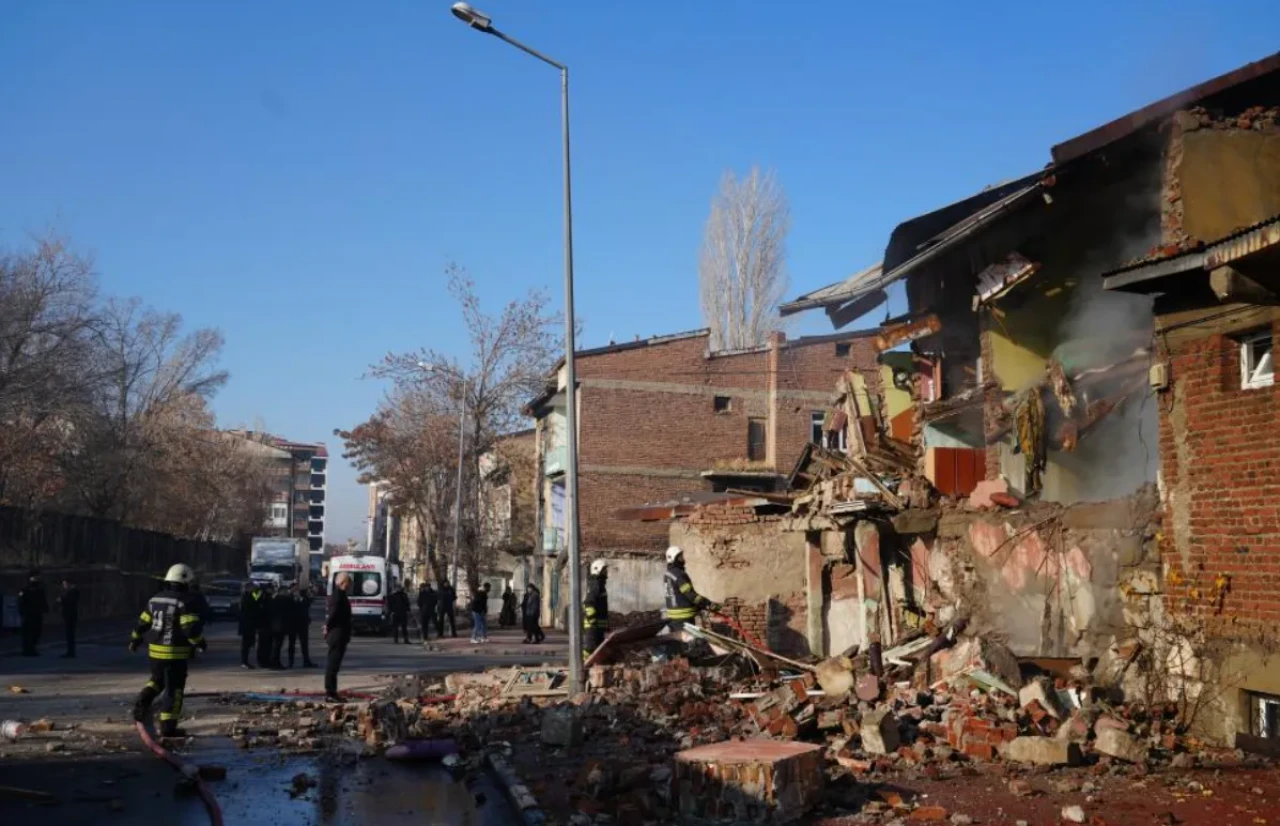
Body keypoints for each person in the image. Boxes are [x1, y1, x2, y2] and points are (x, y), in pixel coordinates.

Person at [128, 564, 206, 737]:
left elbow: (143, 622)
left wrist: (135, 639)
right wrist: (200, 643)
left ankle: (143, 699)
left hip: (155, 650)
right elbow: (189, 629)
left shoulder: (155, 599)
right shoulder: (185, 601)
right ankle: (168, 727)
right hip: (175, 652)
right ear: (185, 582)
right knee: (174, 689)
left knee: (157, 680)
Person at [663, 546, 720, 633]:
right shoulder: (679, 574)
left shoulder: (668, 574)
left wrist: (698, 606)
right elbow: (690, 594)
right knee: (688, 640)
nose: (683, 559)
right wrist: (708, 604)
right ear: (674, 559)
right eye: (680, 557)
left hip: (673, 618)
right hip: (684, 618)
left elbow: (678, 595)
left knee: (677, 639)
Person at [323, 573, 353, 702]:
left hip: (340, 633)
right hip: (337, 634)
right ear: (342, 583)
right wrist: (327, 626)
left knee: (335, 665)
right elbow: (333, 614)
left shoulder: (341, 595)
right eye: (348, 583)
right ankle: (330, 693)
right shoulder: (338, 596)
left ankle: (332, 691)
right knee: (332, 664)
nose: (349, 586)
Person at [17, 571, 48, 657]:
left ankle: (32, 648)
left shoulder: (40, 590)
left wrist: (45, 609)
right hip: (28, 614)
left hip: (37, 614)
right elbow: (20, 601)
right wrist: (22, 612)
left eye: (37, 578)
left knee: (37, 632)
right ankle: (27, 649)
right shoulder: (24, 590)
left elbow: (43, 601)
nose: (36, 580)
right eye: (34, 578)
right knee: (27, 633)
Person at [583, 560, 610, 658]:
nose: (606, 572)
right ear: (598, 570)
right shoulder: (596, 584)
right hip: (593, 625)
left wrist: (605, 625)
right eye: (604, 569)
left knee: (598, 648)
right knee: (590, 648)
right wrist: (592, 620)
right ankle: (582, 664)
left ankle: (590, 664)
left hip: (598, 625)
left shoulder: (599, 584)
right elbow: (589, 602)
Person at [289, 584, 316, 668]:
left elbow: (310, 602)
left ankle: (306, 661)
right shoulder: (289, 598)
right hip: (292, 624)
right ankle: (290, 662)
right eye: (294, 589)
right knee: (291, 643)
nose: (296, 590)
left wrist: (310, 592)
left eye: (297, 589)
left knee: (304, 643)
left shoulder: (303, 597)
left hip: (303, 623)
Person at [238, 581, 262, 669]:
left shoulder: (248, 595)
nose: (254, 589)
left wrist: (258, 591)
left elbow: (256, 599)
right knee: (246, 644)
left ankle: (245, 661)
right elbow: (255, 602)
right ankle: (244, 662)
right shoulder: (246, 597)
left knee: (248, 644)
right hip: (247, 624)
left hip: (249, 624)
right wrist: (258, 591)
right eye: (252, 587)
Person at [270, 583, 293, 669]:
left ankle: (275, 662)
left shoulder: (274, 599)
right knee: (277, 645)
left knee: (276, 645)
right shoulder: (285, 599)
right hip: (281, 626)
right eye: (285, 591)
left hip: (275, 625)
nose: (287, 592)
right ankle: (275, 662)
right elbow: (291, 608)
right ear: (282, 591)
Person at [57, 578, 80, 658]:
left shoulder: (74, 591)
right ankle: (70, 651)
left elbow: (70, 601)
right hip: (67, 614)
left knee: (70, 634)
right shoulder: (67, 591)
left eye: (65, 584)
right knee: (69, 634)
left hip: (71, 615)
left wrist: (62, 600)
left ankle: (71, 652)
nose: (64, 586)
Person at [255, 582, 275, 668]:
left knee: (268, 644)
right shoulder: (262, 596)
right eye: (271, 589)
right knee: (263, 644)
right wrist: (260, 589)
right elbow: (253, 598)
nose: (272, 590)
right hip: (263, 624)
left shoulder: (269, 597)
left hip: (269, 624)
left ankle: (267, 660)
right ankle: (262, 660)